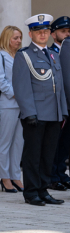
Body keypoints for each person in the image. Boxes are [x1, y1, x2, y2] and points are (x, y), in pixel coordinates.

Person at [12, 14, 66, 206]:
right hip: (35, 114)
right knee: (33, 155)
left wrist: (63, 111)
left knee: (48, 155)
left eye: (45, 31)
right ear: (31, 34)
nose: (43, 35)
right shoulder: (24, 55)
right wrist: (29, 113)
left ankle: (43, 190)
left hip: (53, 113)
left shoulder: (53, 55)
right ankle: (31, 192)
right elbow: (21, 87)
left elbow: (58, 86)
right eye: (38, 32)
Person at [0, 26, 25, 193]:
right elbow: (0, 81)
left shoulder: (22, 55)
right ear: (6, 38)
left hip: (23, 105)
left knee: (19, 143)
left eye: (20, 38)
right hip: (8, 103)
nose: (18, 41)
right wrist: (18, 94)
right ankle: (4, 177)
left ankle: (16, 176)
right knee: (5, 142)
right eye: (15, 38)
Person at [49, 16, 70, 190]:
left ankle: (61, 173)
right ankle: (52, 176)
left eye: (69, 31)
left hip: (69, 104)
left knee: (65, 143)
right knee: (54, 142)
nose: (67, 34)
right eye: (63, 31)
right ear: (53, 34)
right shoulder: (50, 53)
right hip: (56, 104)